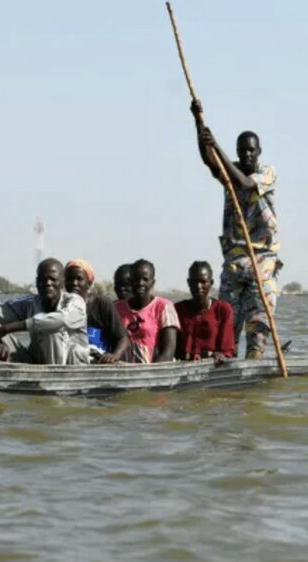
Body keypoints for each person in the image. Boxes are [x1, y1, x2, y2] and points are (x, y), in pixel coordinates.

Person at [191, 99, 279, 360]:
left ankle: (255, 357)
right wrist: (199, 123)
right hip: (234, 259)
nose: (247, 155)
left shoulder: (267, 173)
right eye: (242, 151)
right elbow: (211, 163)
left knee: (258, 321)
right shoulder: (233, 169)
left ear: (259, 151)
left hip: (261, 258)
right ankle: (226, 363)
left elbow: (243, 184)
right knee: (226, 321)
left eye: (251, 150)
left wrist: (215, 144)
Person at [0, 258, 89, 365]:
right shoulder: (30, 302)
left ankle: (53, 377)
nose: (48, 283)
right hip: (38, 361)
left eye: (53, 279)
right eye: (43, 280)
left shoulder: (76, 301)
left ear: (62, 282)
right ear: (37, 282)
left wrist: (8, 328)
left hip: (71, 366)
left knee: (51, 329)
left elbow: (61, 320)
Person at [64, 259, 129, 364]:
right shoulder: (61, 306)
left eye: (79, 279)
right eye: (69, 279)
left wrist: (115, 355)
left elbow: (123, 337)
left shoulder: (101, 304)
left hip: (101, 365)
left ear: (89, 283)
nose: (74, 283)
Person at [115, 259, 179, 363]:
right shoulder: (118, 308)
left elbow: (168, 352)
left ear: (153, 282)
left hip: (154, 374)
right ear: (130, 281)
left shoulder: (164, 307)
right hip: (123, 374)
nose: (140, 283)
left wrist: (150, 374)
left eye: (145, 279)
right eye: (136, 279)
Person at [174, 261, 235, 365]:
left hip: (212, 370)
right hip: (182, 367)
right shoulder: (177, 310)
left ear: (211, 283)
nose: (198, 286)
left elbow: (226, 351)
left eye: (203, 282)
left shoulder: (222, 309)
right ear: (188, 282)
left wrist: (215, 355)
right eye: (194, 282)